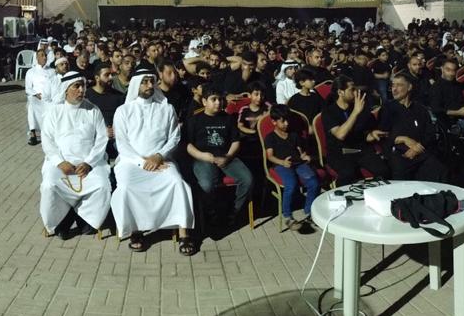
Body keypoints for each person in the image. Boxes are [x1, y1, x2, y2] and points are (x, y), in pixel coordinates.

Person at [111, 64, 197, 254]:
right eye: (144, 82)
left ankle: (184, 234)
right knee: (126, 188)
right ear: (136, 85)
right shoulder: (123, 111)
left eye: (151, 81)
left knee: (177, 183)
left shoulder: (166, 108)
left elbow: (174, 137)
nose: (149, 85)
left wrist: (158, 156)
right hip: (131, 163)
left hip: (162, 161)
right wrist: (142, 162)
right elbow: (123, 145)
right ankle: (136, 231)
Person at [38, 69, 112, 239]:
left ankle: (83, 218)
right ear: (65, 89)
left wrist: (89, 163)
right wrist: (59, 162)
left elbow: (101, 139)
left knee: (102, 185)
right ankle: (58, 221)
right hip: (60, 164)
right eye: (76, 86)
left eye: (83, 86)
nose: (81, 90)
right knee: (49, 185)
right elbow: (47, 141)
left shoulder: (93, 110)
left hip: (89, 164)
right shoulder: (54, 112)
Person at [185, 90, 255, 232]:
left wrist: (228, 156)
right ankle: (210, 213)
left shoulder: (228, 118)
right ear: (204, 102)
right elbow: (188, 145)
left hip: (226, 156)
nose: (218, 102)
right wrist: (203, 156)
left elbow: (235, 141)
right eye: (214, 99)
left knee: (248, 180)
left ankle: (234, 211)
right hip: (204, 158)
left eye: (221, 99)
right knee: (206, 185)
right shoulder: (194, 120)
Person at [378, 72, 454, 183]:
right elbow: (382, 135)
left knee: (440, 170)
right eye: (393, 85)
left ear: (409, 87)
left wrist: (417, 147)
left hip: (419, 150)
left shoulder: (420, 110)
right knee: (401, 173)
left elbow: (430, 134)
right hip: (398, 153)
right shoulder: (388, 108)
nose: (394, 89)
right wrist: (403, 139)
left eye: (399, 85)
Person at [320, 75, 390, 184]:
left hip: (360, 150)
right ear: (340, 92)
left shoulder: (360, 108)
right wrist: (355, 112)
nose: (356, 92)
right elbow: (340, 135)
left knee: (384, 170)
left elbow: (364, 134)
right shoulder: (329, 112)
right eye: (352, 89)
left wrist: (372, 134)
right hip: (340, 153)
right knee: (349, 174)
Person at [264, 107, 321, 228]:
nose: (286, 123)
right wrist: (282, 162)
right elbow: (270, 156)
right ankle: (287, 216)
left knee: (313, 182)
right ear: (274, 122)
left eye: (287, 120)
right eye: (283, 121)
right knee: (291, 184)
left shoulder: (293, 134)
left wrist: (305, 156)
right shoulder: (270, 137)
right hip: (282, 165)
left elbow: (300, 151)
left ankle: (309, 211)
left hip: (298, 163)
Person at [83, 61, 124, 159]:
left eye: (111, 74)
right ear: (97, 78)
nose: (110, 78)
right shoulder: (87, 96)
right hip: (93, 139)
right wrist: (102, 131)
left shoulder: (119, 96)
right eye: (106, 75)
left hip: (116, 138)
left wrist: (116, 129)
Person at [25, 47, 51, 145]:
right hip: (36, 97)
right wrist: (36, 94)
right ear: (37, 58)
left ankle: (48, 133)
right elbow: (28, 88)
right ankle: (33, 134)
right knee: (31, 105)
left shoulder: (52, 71)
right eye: (42, 55)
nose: (44, 57)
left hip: (49, 97)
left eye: (45, 55)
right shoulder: (31, 72)